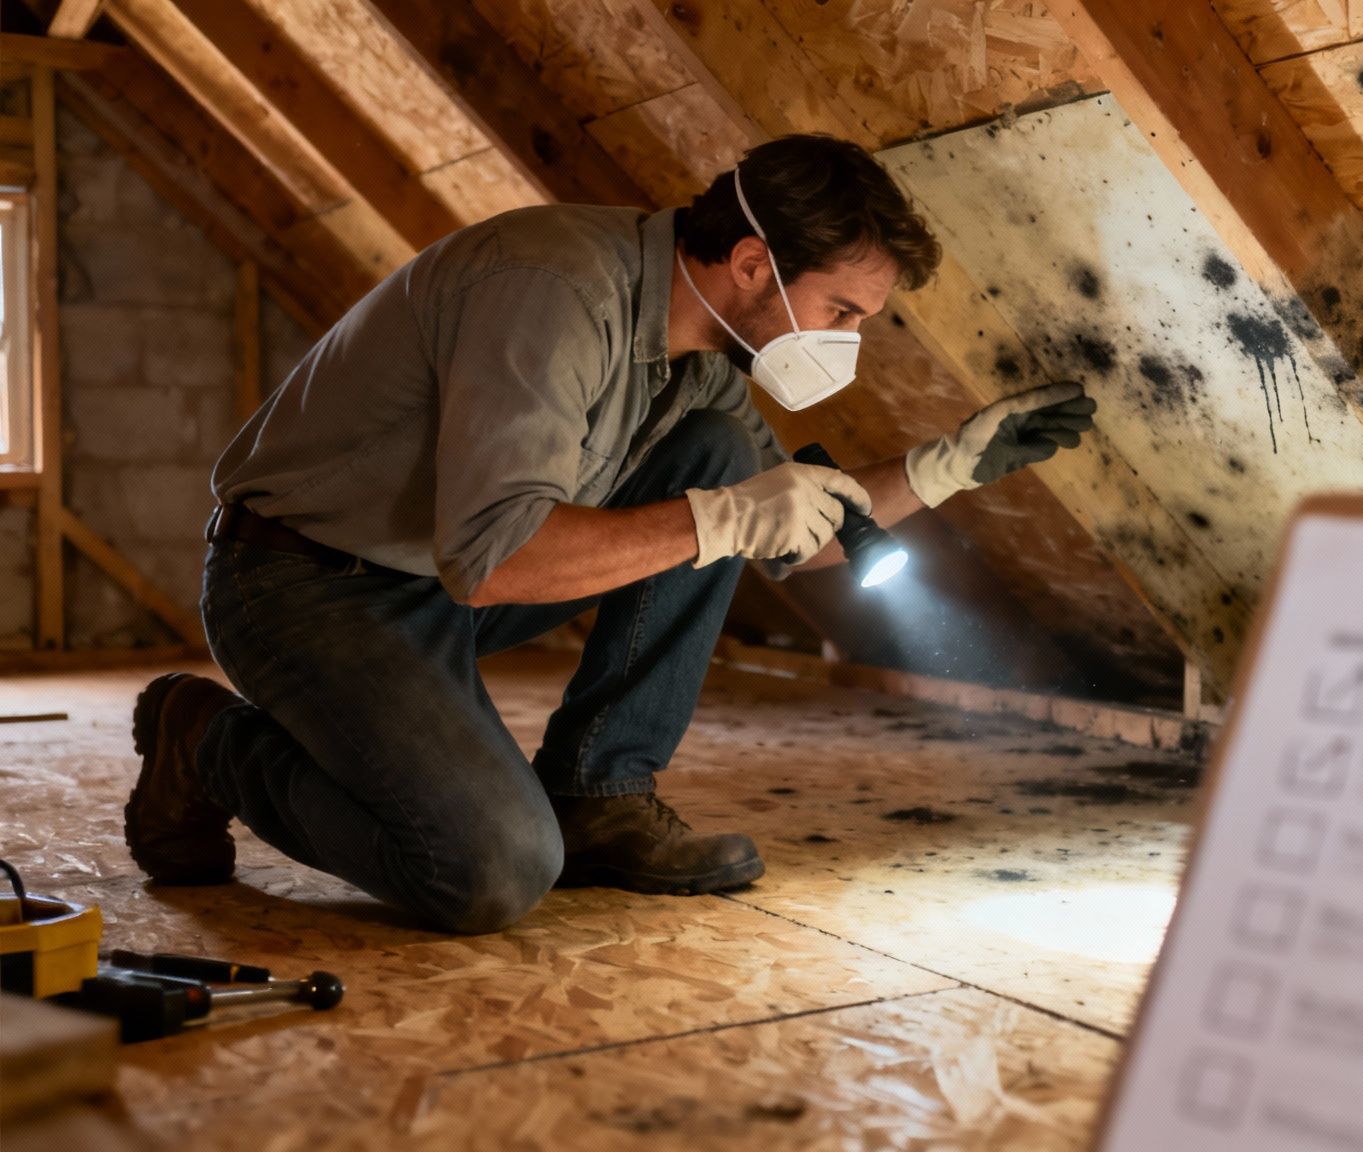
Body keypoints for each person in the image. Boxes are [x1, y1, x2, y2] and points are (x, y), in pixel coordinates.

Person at [122, 134, 1097, 934]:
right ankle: (202, 742)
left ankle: (598, 794)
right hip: (305, 587)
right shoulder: (550, 288)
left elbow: (793, 530)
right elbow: (496, 557)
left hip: (437, 585)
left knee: (724, 459)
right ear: (753, 263)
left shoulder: (700, 369)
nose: (846, 338)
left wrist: (946, 466)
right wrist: (718, 518)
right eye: (841, 310)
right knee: (486, 870)